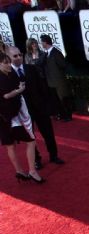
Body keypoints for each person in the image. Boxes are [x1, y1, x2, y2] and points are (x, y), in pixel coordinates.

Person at [8, 46, 65, 168]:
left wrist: (47, 105)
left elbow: (42, 87)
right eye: (15, 56)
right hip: (23, 111)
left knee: (48, 133)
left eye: (20, 55)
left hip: (40, 108)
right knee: (30, 137)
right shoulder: (7, 74)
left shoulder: (31, 69)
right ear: (9, 58)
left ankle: (54, 155)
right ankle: (36, 160)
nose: (19, 57)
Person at [0, 52, 44, 183]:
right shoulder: (2, 77)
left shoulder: (11, 74)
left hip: (7, 116)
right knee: (30, 141)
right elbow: (6, 96)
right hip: (10, 117)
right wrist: (19, 91)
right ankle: (32, 171)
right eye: (6, 62)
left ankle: (19, 171)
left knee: (11, 145)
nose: (9, 64)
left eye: (9, 61)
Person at [40, 34, 72, 122]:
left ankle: (68, 116)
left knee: (63, 99)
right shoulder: (45, 54)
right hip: (51, 82)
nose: (41, 44)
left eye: (41, 42)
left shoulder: (56, 52)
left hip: (59, 81)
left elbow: (63, 64)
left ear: (45, 43)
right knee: (56, 100)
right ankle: (62, 115)